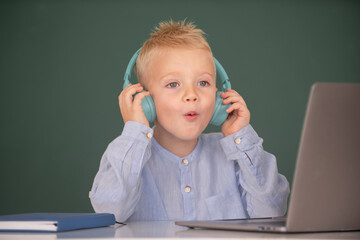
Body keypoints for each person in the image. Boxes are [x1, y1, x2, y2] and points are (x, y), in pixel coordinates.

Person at [90, 19, 289, 222]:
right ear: (146, 99)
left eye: (203, 82)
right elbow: (110, 212)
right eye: (173, 84)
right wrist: (135, 131)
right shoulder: (127, 155)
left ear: (218, 93)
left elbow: (271, 211)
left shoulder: (235, 156)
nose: (191, 95)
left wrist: (241, 135)